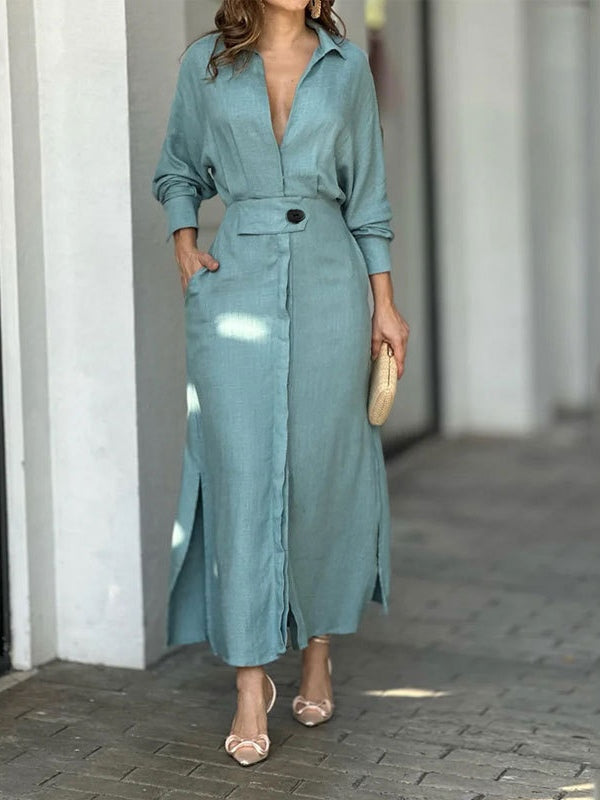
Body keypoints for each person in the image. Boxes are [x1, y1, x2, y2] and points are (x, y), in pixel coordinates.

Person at [151, 0, 409, 767]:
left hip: (332, 280)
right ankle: (248, 678)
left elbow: (368, 195)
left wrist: (385, 304)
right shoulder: (206, 63)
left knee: (321, 468)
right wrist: (185, 240)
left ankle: (318, 647)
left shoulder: (347, 65)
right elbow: (177, 167)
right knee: (239, 472)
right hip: (237, 280)